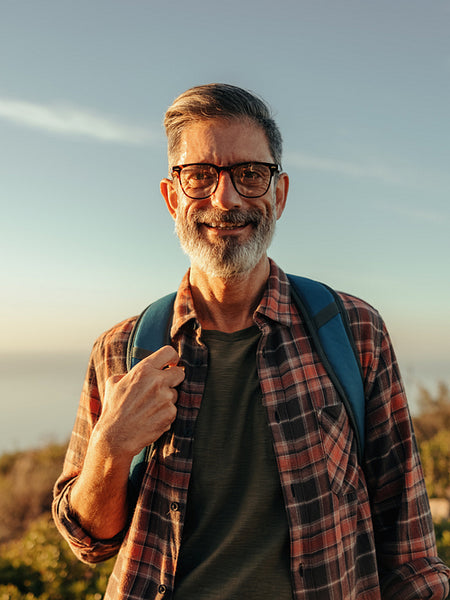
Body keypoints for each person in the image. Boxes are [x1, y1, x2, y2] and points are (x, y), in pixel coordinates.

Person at [53, 83, 450, 600]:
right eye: (199, 176)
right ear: (172, 199)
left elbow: (410, 545)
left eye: (250, 174)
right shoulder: (121, 349)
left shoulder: (353, 331)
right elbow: (89, 541)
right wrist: (110, 448)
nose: (226, 198)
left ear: (278, 194)